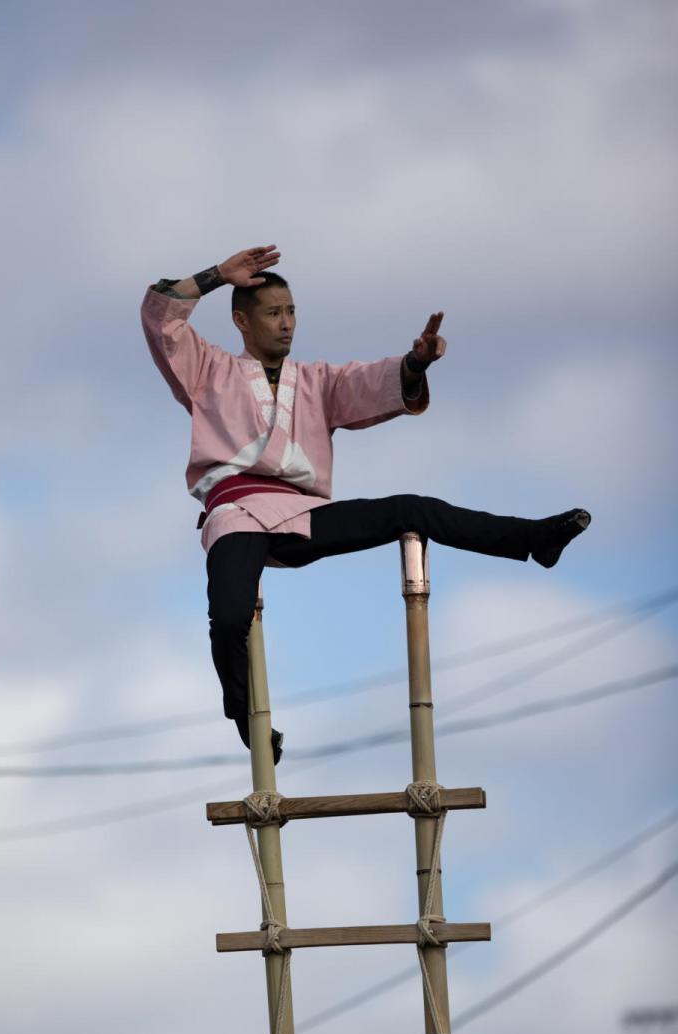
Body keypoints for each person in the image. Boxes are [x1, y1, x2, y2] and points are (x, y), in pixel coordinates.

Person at [141, 244, 590, 764]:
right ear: (241, 321)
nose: (286, 324)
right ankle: (248, 721)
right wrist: (219, 274)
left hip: (303, 516)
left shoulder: (316, 381)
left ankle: (533, 539)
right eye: (272, 313)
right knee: (230, 617)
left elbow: (376, 381)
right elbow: (159, 315)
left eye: (291, 312)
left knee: (411, 508)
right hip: (236, 514)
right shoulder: (208, 370)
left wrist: (415, 363)